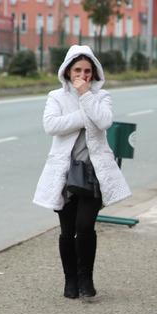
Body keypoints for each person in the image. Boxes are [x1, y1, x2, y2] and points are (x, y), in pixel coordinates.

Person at [33, 45, 131, 299]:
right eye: (78, 70)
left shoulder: (102, 95)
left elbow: (105, 121)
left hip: (94, 173)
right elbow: (51, 125)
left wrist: (86, 94)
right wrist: (85, 115)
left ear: (94, 72)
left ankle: (86, 279)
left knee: (85, 226)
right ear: (67, 71)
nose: (83, 75)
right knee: (67, 230)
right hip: (64, 173)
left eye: (88, 71)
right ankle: (70, 281)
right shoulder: (56, 96)